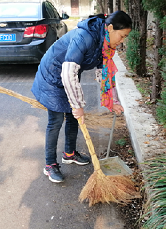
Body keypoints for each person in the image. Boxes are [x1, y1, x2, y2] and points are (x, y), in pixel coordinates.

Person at [31, 11, 132, 183]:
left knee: (72, 117)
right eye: (122, 36)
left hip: (69, 75)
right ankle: (49, 164)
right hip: (52, 75)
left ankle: (69, 154)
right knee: (56, 120)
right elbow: (68, 71)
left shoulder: (105, 44)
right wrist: (77, 105)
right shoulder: (85, 37)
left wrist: (111, 101)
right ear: (110, 28)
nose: (122, 41)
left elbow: (104, 75)